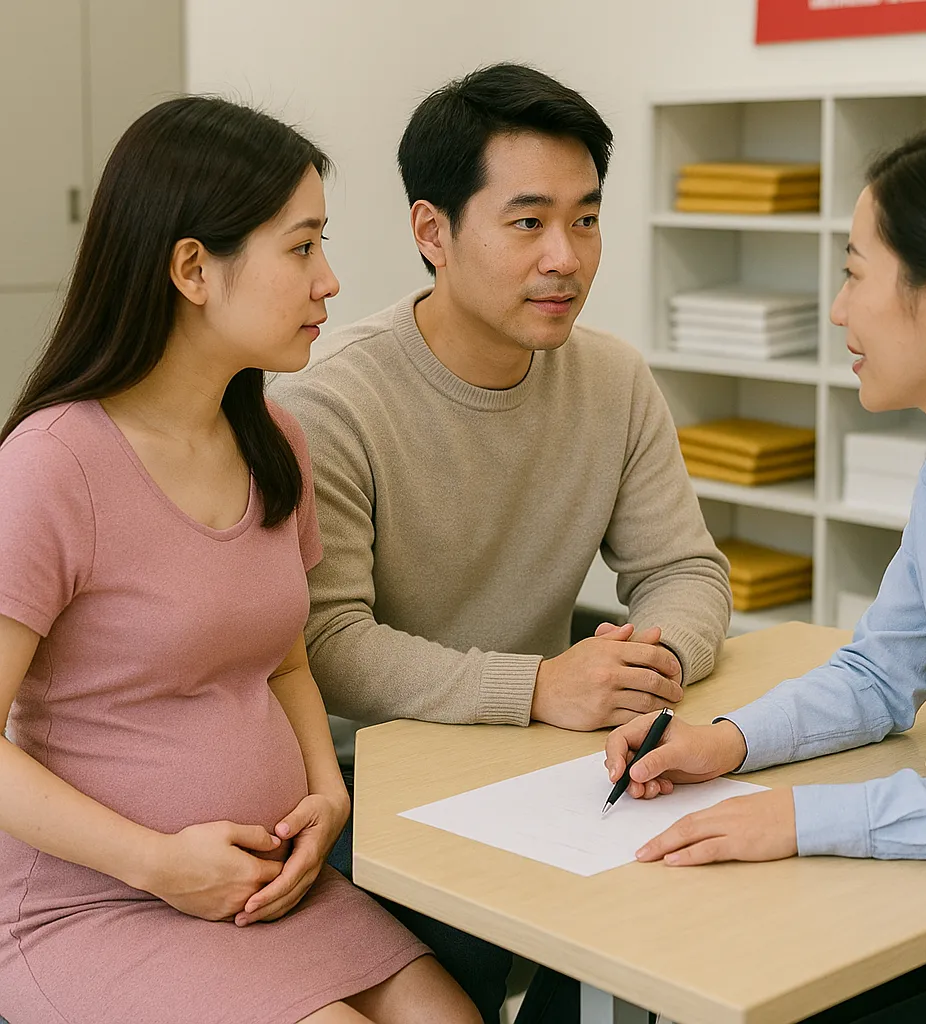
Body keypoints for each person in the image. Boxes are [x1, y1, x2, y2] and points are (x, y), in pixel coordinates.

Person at [0, 96, 481, 1024]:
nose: (330, 281)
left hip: (267, 892)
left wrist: (327, 794)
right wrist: (158, 862)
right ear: (192, 269)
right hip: (96, 907)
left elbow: (287, 658)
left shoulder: (276, 444)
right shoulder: (50, 468)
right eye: (301, 248)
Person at [270, 62, 731, 1023]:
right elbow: (326, 643)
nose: (564, 256)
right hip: (366, 781)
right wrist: (537, 687)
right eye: (527, 223)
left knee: (701, 905)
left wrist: (651, 662)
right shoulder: (330, 401)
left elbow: (683, 568)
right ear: (432, 232)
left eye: (586, 219)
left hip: (542, 761)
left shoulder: (613, 379)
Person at [604, 117, 926, 1023]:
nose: (837, 311)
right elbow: (882, 672)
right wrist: (724, 743)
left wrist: (796, 820)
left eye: (853, 272)